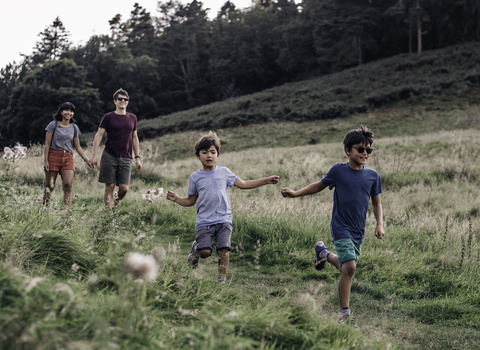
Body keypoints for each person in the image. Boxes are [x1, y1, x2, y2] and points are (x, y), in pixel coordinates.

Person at [281, 125, 384, 325]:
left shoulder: (373, 176)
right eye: (360, 149)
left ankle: (324, 254)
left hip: (358, 230)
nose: (365, 153)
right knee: (350, 268)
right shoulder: (338, 170)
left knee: (347, 268)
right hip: (340, 227)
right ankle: (344, 314)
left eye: (368, 150)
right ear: (348, 150)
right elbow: (318, 186)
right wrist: (295, 193)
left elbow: (377, 203)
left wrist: (380, 224)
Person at [166, 131, 280, 283]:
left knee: (224, 250)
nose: (209, 155)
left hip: (224, 219)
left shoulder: (224, 172)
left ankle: (221, 281)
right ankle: (196, 249)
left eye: (213, 152)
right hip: (204, 221)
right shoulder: (195, 177)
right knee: (205, 252)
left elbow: (244, 184)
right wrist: (176, 199)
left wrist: (266, 180)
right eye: (204, 152)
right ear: (197, 156)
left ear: (218, 155)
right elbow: (190, 200)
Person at [88, 88, 142, 210]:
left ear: (127, 102)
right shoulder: (108, 117)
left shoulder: (132, 118)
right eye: (120, 99)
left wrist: (137, 158)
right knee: (110, 186)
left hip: (127, 157)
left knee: (124, 189)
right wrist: (94, 155)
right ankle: (109, 215)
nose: (122, 101)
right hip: (110, 155)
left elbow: (134, 138)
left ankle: (114, 203)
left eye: (125, 99)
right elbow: (99, 135)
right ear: (115, 101)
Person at [43, 102, 92, 207]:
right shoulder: (53, 125)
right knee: (49, 186)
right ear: (61, 112)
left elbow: (78, 146)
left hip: (68, 158)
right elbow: (47, 144)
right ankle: (44, 209)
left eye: (71, 111)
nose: (69, 113)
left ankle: (67, 213)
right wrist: (46, 160)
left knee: (68, 185)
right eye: (66, 110)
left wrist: (86, 159)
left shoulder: (74, 128)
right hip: (53, 156)